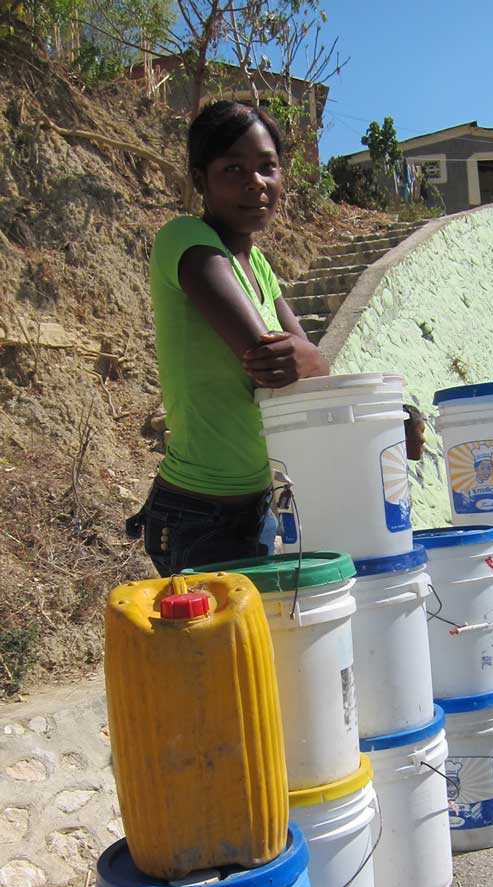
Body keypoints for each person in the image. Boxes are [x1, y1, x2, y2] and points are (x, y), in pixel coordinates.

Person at [127, 100, 328, 574]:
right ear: (201, 180)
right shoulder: (185, 241)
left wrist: (311, 360)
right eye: (233, 168)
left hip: (258, 509)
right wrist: (307, 359)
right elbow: (273, 364)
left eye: (266, 167)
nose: (255, 183)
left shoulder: (258, 266)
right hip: (198, 517)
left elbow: (311, 370)